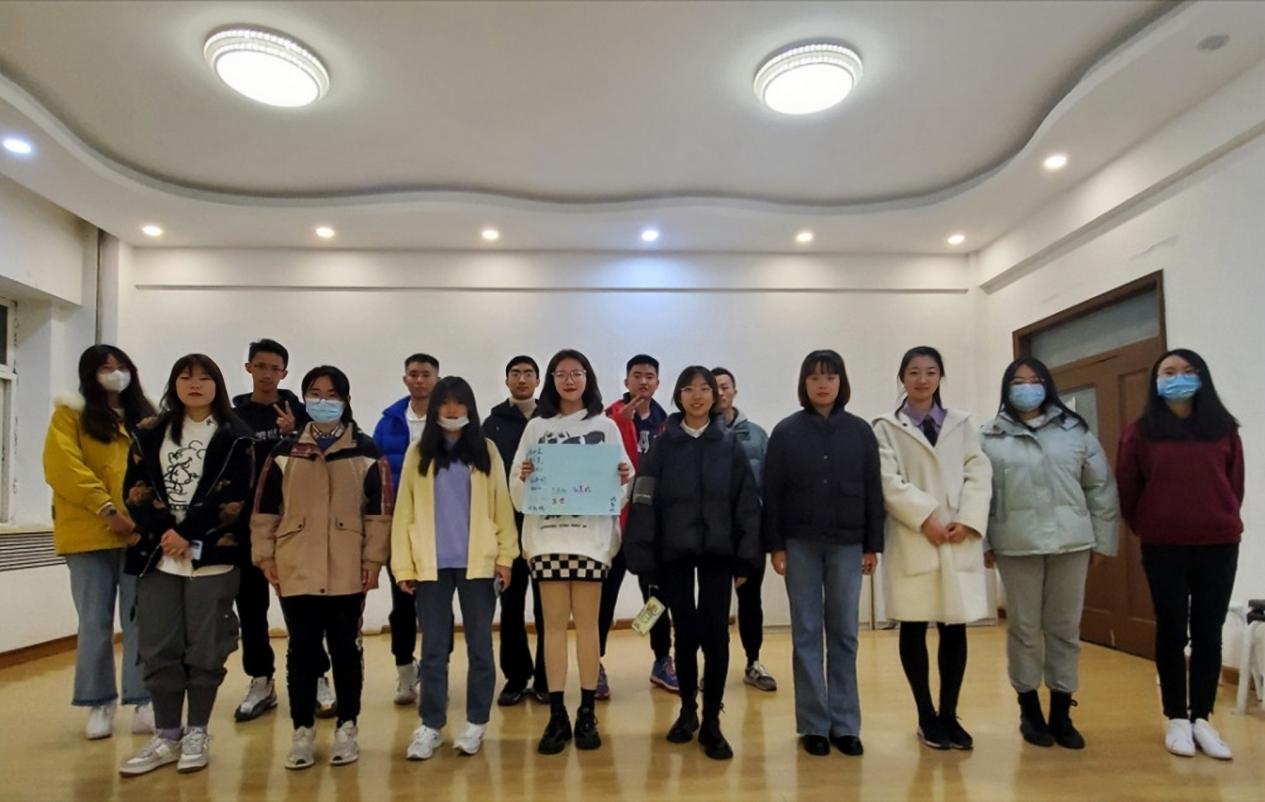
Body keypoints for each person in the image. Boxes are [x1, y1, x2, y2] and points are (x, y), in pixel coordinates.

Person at [117, 354, 255, 776]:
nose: (194, 384)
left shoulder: (236, 436)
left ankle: (197, 731)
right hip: (157, 555)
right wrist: (165, 531)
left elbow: (235, 497)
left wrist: (189, 532)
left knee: (205, 648)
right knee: (159, 646)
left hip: (213, 556)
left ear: (217, 385)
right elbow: (135, 488)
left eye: (204, 377)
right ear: (174, 383)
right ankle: (166, 734)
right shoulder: (149, 431)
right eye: (185, 376)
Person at [253, 365, 393, 769]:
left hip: (347, 566)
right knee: (301, 651)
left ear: (346, 400)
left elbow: (379, 513)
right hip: (295, 563)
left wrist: (373, 561)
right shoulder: (285, 451)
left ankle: (348, 727)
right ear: (304, 399)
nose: (323, 401)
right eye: (315, 393)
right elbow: (265, 509)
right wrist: (265, 555)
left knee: (346, 649)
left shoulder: (366, 451)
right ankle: (302, 730)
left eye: (332, 395)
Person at [980, 357, 1119, 749]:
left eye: (1035, 380)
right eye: (1018, 381)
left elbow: (1100, 488)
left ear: (1047, 385)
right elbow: (978, 495)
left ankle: (1062, 711)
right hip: (1015, 544)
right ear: (1006, 389)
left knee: (1064, 628)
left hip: (1071, 543)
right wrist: (984, 543)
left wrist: (1103, 541)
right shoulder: (988, 436)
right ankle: (1029, 709)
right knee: (1024, 629)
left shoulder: (1075, 431)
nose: (1027, 387)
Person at [625, 366, 761, 760]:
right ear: (678, 396)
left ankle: (712, 720)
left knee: (716, 636)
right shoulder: (663, 446)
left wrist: (747, 559)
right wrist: (645, 556)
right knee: (684, 634)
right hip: (675, 555)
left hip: (719, 554)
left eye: (705, 389)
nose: (697, 396)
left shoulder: (730, 445)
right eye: (688, 389)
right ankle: (687, 711)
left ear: (715, 396)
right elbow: (644, 499)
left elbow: (746, 503)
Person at [1116, 348, 1244, 760]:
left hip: (1219, 543)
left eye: (1187, 371)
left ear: (1202, 377)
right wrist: (1151, 526)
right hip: (1163, 545)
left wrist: (1219, 519)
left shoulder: (1224, 430)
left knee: (1209, 631)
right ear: (1156, 381)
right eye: (1168, 372)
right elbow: (1128, 491)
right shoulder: (1140, 433)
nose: (1178, 378)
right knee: (1172, 630)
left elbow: (1234, 486)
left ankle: (1202, 717)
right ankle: (1175, 717)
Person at [510, 349, 635, 755]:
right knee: (551, 628)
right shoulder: (536, 427)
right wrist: (525, 476)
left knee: (587, 627)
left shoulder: (605, 426)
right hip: (547, 541)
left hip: (589, 542)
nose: (568, 380)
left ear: (587, 377)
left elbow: (622, 484)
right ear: (551, 380)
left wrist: (622, 476)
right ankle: (556, 714)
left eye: (576, 373)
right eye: (560, 373)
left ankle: (586, 711)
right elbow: (517, 489)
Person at [763, 350, 884, 758]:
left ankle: (846, 724)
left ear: (841, 382)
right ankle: (814, 724)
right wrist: (776, 546)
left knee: (845, 633)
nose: (822, 384)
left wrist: (872, 545)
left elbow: (873, 490)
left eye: (830, 377)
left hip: (849, 544)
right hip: (800, 543)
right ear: (804, 383)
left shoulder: (860, 431)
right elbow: (772, 494)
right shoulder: (786, 432)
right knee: (807, 632)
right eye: (814, 377)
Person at [392, 377, 519, 759]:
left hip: (477, 566)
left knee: (480, 648)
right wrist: (403, 566)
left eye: (458, 402)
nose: (451, 410)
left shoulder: (486, 450)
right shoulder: (418, 452)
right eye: (444, 402)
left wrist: (505, 557)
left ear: (469, 407)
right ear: (434, 408)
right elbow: (404, 512)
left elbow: (501, 506)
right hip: (430, 566)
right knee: (433, 651)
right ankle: (430, 725)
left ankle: (476, 723)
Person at [873, 346, 992, 751]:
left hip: (957, 536)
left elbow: (979, 473)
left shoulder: (962, 424)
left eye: (930, 372)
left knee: (954, 626)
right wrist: (925, 517)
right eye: (913, 372)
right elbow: (888, 480)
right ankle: (926, 715)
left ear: (941, 377)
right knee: (913, 624)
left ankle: (949, 714)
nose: (922, 380)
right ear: (902, 379)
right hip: (915, 536)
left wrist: (968, 520)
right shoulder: (886, 427)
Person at [43, 344, 157, 740]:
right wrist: (107, 510)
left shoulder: (148, 417)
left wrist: (145, 520)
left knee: (141, 619)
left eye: (121, 366)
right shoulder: (70, 414)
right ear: (89, 374)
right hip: (89, 534)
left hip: (138, 535)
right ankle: (99, 702)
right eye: (105, 367)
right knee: (94, 622)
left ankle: (143, 699)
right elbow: (63, 468)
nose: (115, 373)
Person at [230, 338, 328, 722]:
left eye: (275, 368)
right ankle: (261, 679)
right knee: (251, 608)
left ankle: (317, 675)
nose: (267, 374)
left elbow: (324, 458)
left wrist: (296, 431)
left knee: (303, 610)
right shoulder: (233, 415)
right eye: (261, 366)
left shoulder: (300, 412)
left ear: (284, 373)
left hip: (293, 528)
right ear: (249, 368)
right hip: (246, 527)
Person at [599, 354, 676, 698]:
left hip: (651, 530)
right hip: (615, 526)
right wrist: (619, 425)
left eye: (649, 376)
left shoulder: (667, 424)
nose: (643, 382)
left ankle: (661, 659)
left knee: (656, 599)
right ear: (626, 381)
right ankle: (595, 662)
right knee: (604, 600)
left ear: (658, 383)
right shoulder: (607, 418)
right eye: (637, 375)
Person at [372, 353, 440, 705]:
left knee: (436, 607)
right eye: (413, 374)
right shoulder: (388, 422)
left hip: (440, 527)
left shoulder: (449, 419)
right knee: (403, 604)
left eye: (426, 374)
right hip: (399, 526)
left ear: (436, 380)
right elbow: (374, 471)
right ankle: (404, 670)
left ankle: (435, 672)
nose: (419, 380)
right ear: (405, 379)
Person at [482, 356, 548, 705]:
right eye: (515, 373)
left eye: (528, 373)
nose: (522, 379)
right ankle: (516, 676)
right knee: (510, 606)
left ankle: (547, 677)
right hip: (507, 529)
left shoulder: (551, 419)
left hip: (546, 529)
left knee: (547, 607)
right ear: (506, 380)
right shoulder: (491, 424)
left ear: (538, 380)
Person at [712, 366, 777, 692]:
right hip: (712, 535)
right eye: (714, 387)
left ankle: (753, 661)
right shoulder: (698, 433)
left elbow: (771, 486)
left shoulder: (757, 435)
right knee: (714, 606)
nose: (720, 393)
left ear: (734, 391)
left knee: (750, 600)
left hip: (750, 534)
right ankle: (714, 668)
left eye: (725, 386)